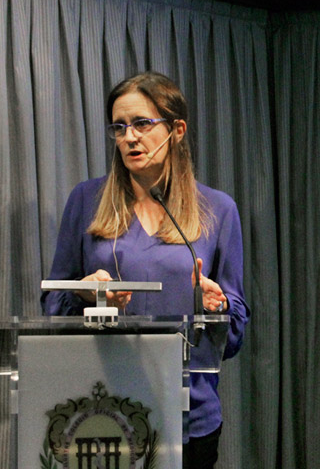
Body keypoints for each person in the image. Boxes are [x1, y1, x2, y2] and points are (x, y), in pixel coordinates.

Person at [41, 71, 250, 469]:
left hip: (188, 417)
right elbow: (52, 303)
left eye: (141, 123)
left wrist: (216, 305)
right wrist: (84, 295)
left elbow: (235, 333)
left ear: (177, 130)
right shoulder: (86, 200)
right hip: (101, 412)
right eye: (119, 127)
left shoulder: (218, 210)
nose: (129, 137)